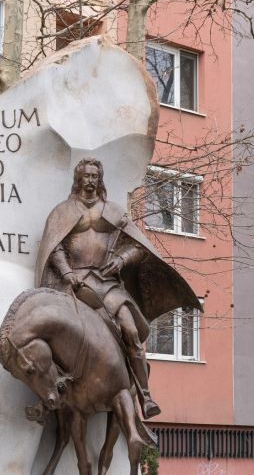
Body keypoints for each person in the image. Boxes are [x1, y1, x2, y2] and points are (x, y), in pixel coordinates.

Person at [34, 158, 196, 420]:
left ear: (100, 179)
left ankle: (144, 394)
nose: (90, 180)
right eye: (86, 176)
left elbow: (138, 245)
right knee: (55, 340)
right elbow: (55, 248)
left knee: (131, 332)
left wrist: (120, 260)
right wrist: (66, 272)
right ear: (78, 179)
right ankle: (47, 398)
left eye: (94, 176)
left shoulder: (113, 211)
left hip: (108, 285)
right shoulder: (63, 212)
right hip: (75, 285)